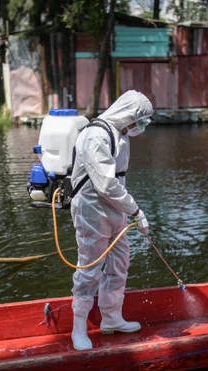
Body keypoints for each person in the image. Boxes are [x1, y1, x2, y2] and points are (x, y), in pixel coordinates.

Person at [69, 90, 153, 351]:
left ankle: (111, 317)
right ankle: (79, 327)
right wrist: (136, 211)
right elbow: (106, 184)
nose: (139, 127)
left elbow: (116, 183)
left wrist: (127, 210)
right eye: (139, 120)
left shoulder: (120, 135)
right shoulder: (96, 135)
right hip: (92, 209)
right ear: (128, 114)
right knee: (90, 267)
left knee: (119, 263)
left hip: (114, 209)